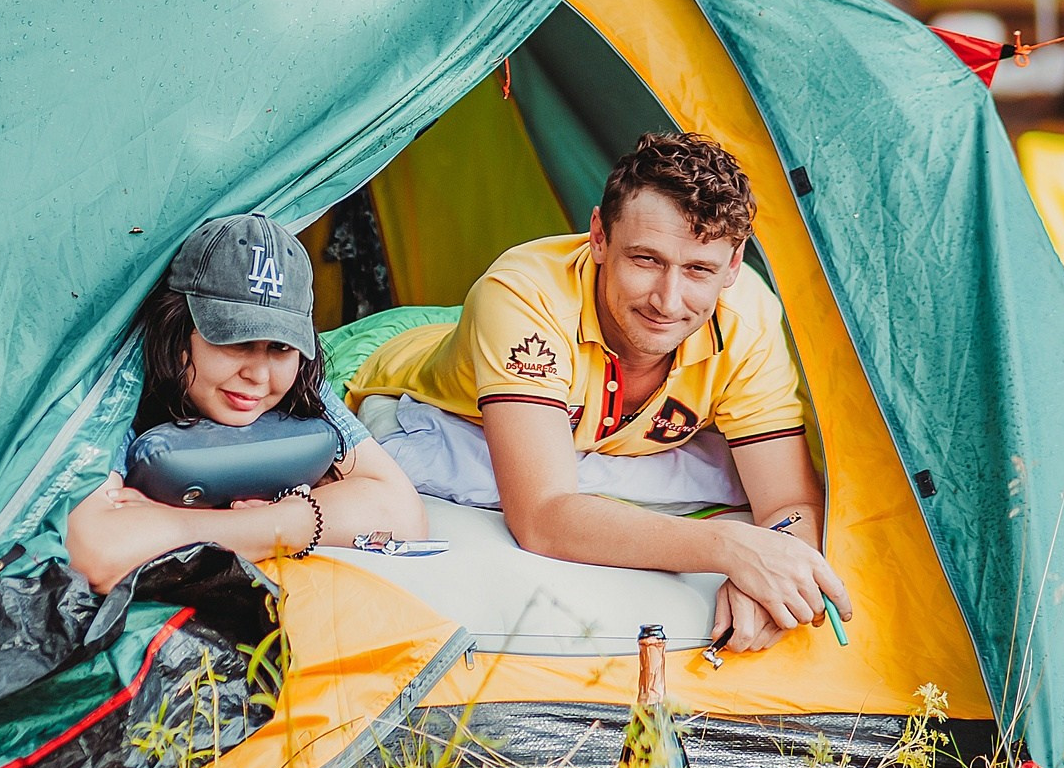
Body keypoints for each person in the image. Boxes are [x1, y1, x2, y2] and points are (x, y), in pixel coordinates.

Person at [349, 132, 849, 652]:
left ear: (733, 264)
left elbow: (790, 500)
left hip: (622, 444)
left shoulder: (748, 316)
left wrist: (777, 569)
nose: (668, 300)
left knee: (739, 477)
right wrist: (733, 548)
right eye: (646, 260)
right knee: (422, 464)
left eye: (699, 269)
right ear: (600, 238)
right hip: (456, 422)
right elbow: (542, 516)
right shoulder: (521, 293)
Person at [67, 213, 428, 593]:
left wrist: (278, 522)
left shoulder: (299, 381)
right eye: (235, 342)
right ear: (175, 328)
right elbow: (97, 553)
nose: (258, 375)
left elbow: (402, 514)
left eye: (280, 347)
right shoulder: (122, 384)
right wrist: (303, 519)